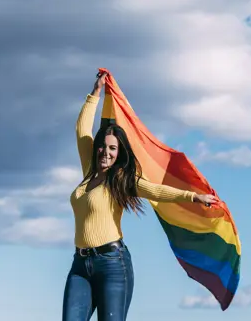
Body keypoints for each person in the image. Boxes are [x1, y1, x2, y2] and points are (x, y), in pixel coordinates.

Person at [62, 72, 218, 321]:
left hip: (112, 264)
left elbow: (155, 190)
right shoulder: (88, 171)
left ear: (119, 152)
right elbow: (82, 129)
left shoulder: (122, 179)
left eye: (113, 148)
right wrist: (95, 93)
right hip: (80, 266)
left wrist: (193, 196)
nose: (106, 151)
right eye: (102, 145)